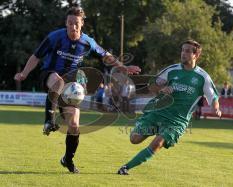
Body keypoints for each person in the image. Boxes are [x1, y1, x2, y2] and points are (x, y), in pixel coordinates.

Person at [14, 6, 141, 174]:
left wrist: (122, 67)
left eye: (76, 23)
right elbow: (36, 56)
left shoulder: (87, 42)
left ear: (82, 24)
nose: (73, 26)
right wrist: (24, 73)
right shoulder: (54, 37)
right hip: (50, 75)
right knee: (58, 82)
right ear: (66, 23)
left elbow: (105, 55)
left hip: (71, 85)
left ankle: (68, 159)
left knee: (74, 125)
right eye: (69, 23)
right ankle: (48, 121)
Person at [117, 40, 222, 175]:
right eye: (182, 50)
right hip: (158, 112)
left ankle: (125, 168)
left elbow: (213, 97)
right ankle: (154, 129)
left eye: (188, 51)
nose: (183, 53)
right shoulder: (172, 70)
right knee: (134, 138)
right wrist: (161, 89)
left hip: (177, 121)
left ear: (196, 55)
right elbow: (152, 85)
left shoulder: (203, 77)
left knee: (158, 143)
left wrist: (216, 108)